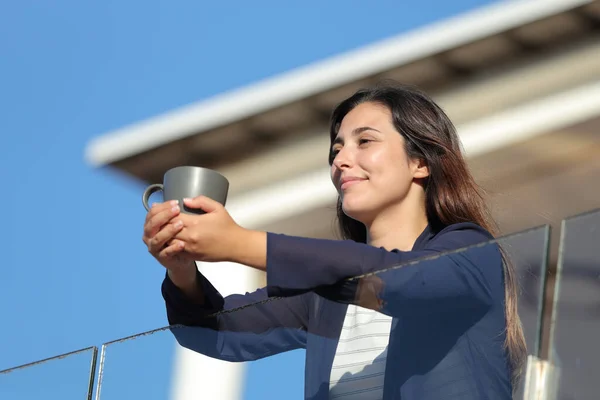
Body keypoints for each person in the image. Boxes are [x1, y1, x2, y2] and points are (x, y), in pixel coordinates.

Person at [142, 81, 526, 400]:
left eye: (365, 142)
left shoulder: (471, 253)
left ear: (420, 162)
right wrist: (181, 267)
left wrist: (238, 243)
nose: (341, 160)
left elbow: (400, 279)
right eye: (336, 148)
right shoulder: (326, 294)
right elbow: (215, 332)